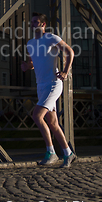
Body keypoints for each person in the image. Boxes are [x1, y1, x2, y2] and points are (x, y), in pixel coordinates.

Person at [21, 12, 76, 168]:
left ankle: (51, 152)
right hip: (41, 85)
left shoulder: (51, 38)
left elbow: (69, 52)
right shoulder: (30, 43)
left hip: (53, 83)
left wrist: (65, 71)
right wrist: (27, 66)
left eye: (36, 22)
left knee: (37, 116)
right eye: (31, 22)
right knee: (53, 123)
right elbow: (32, 63)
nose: (33, 25)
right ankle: (68, 153)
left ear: (43, 24)